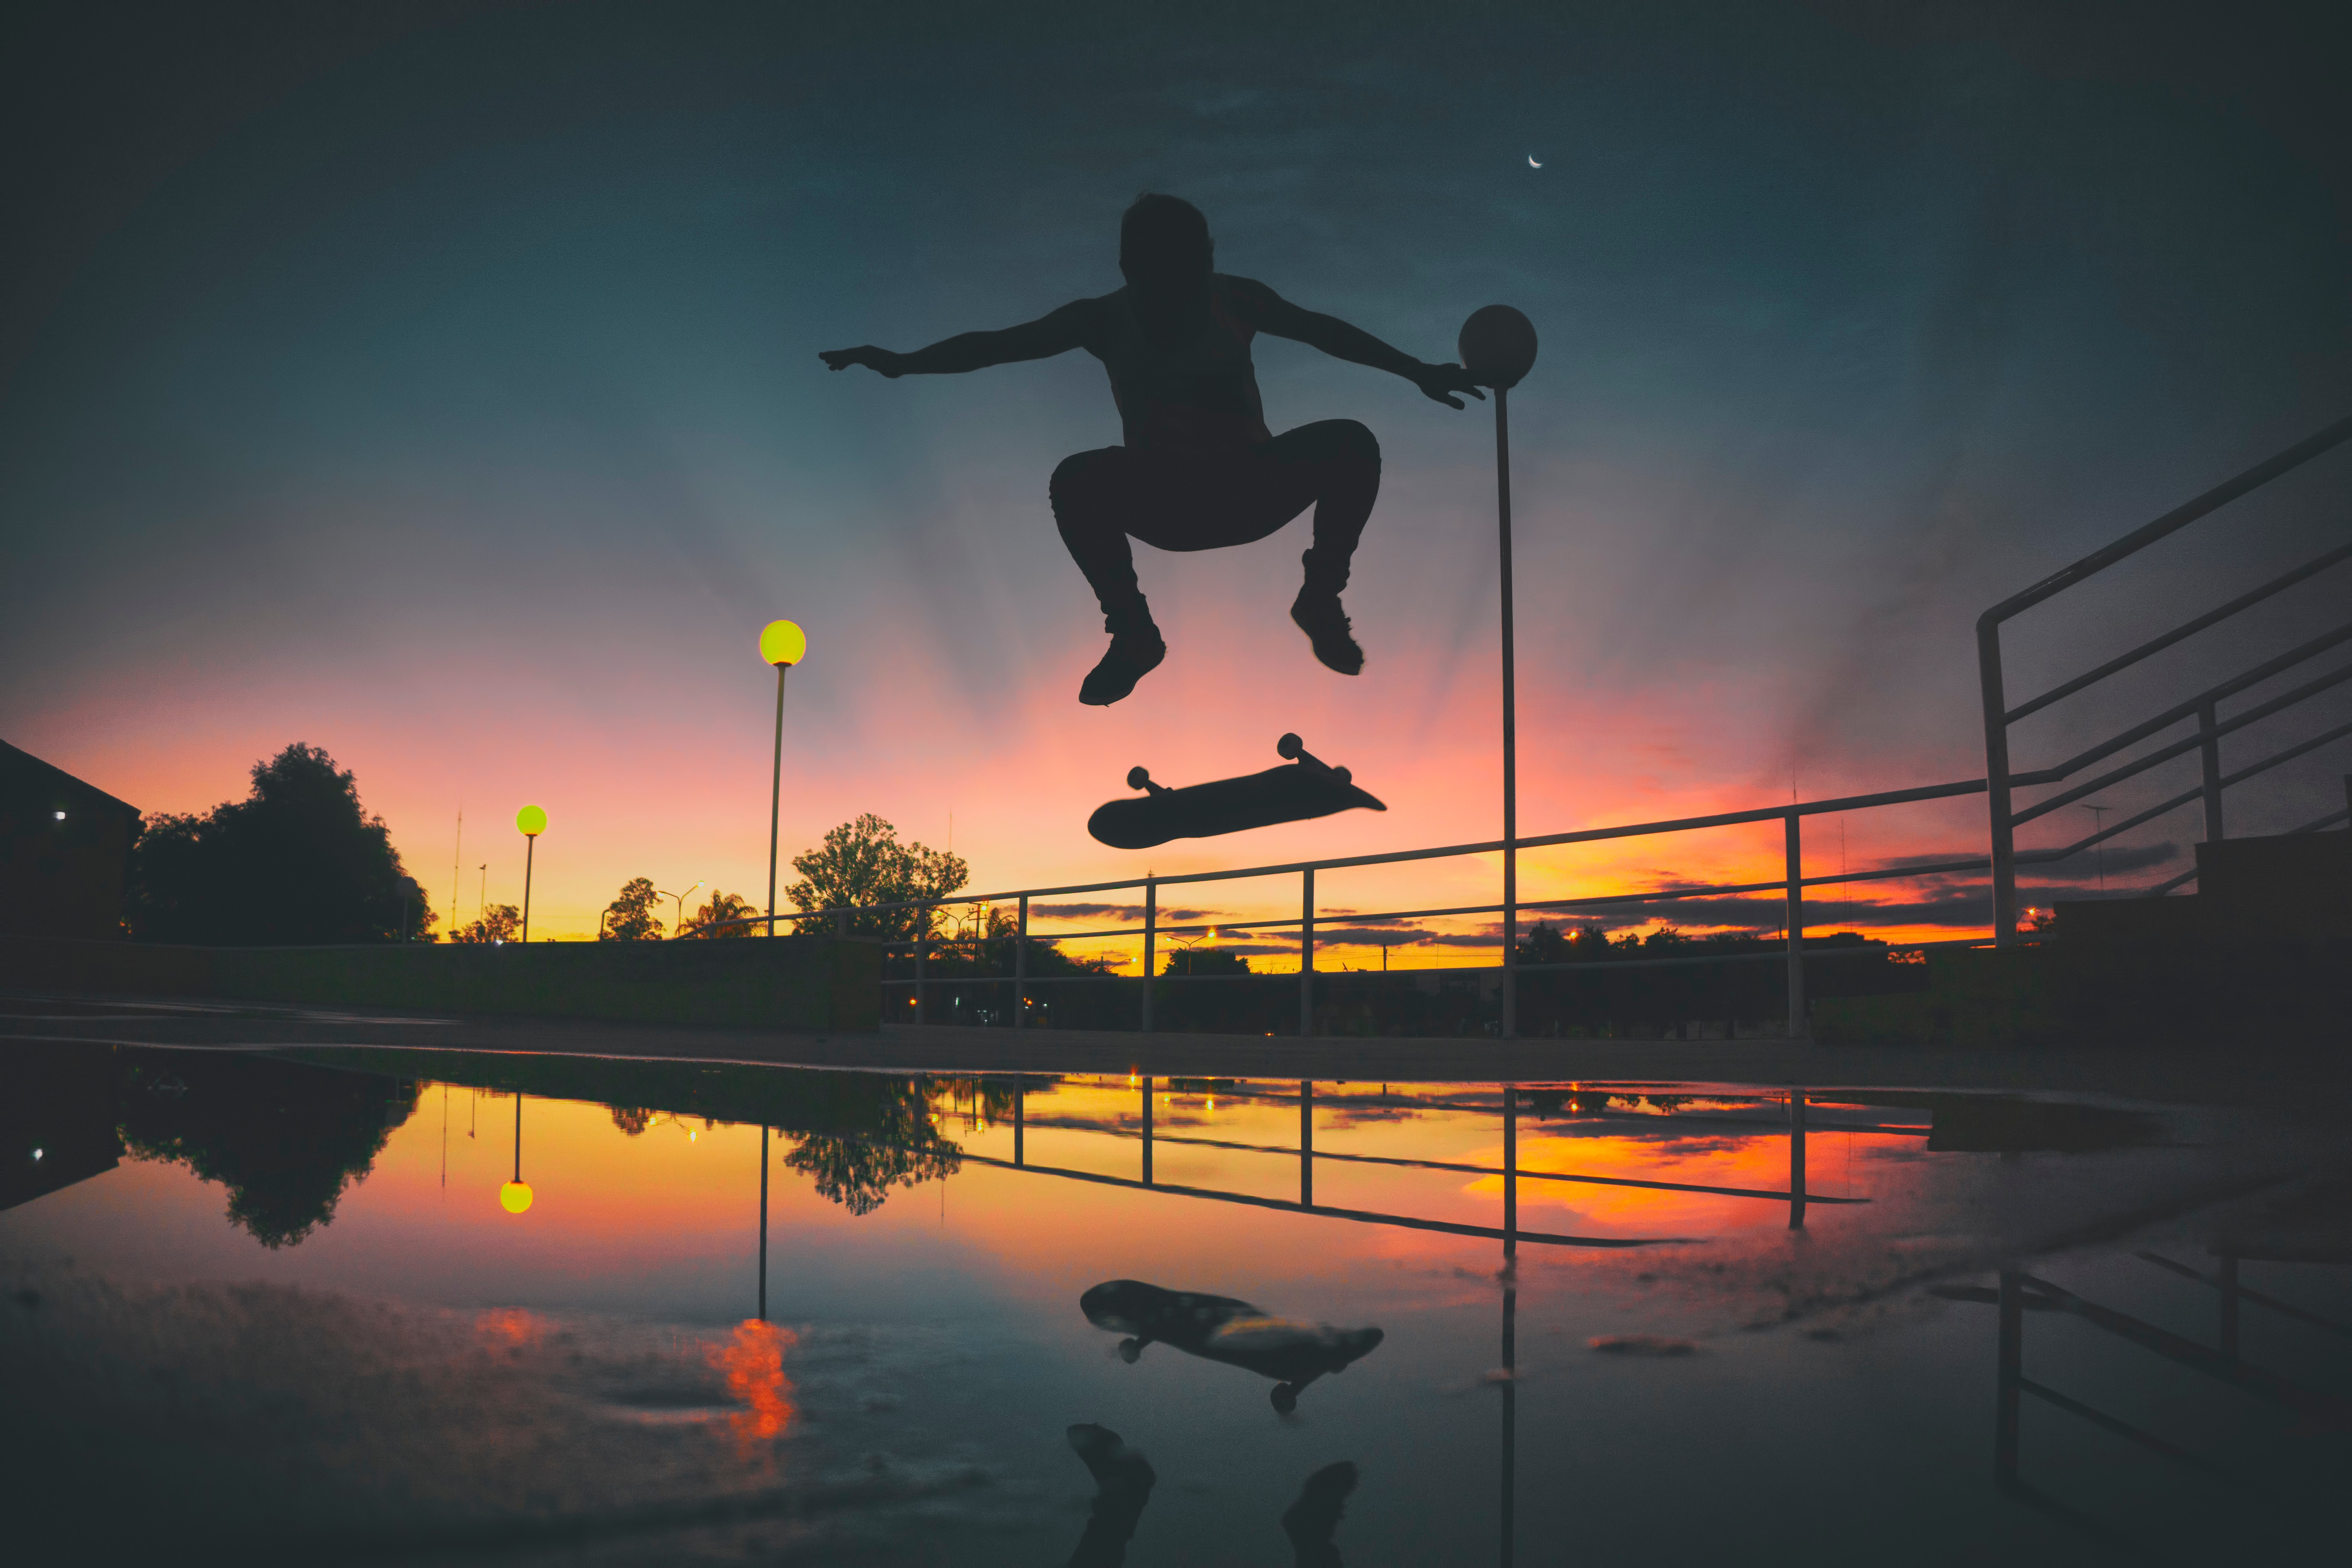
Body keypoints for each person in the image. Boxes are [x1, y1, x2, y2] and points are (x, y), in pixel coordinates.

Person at [820, 194, 1484, 705]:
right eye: (1160, 275)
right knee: (1077, 477)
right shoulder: (1104, 319)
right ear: (1129, 270)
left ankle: (1319, 596)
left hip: (1248, 489)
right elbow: (996, 345)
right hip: (1169, 503)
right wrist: (902, 364)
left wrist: (1416, 370)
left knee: (1351, 443)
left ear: (1209, 259)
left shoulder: (1237, 299)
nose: (1178, 291)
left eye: (1191, 270)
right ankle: (1133, 630)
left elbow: (1324, 332)